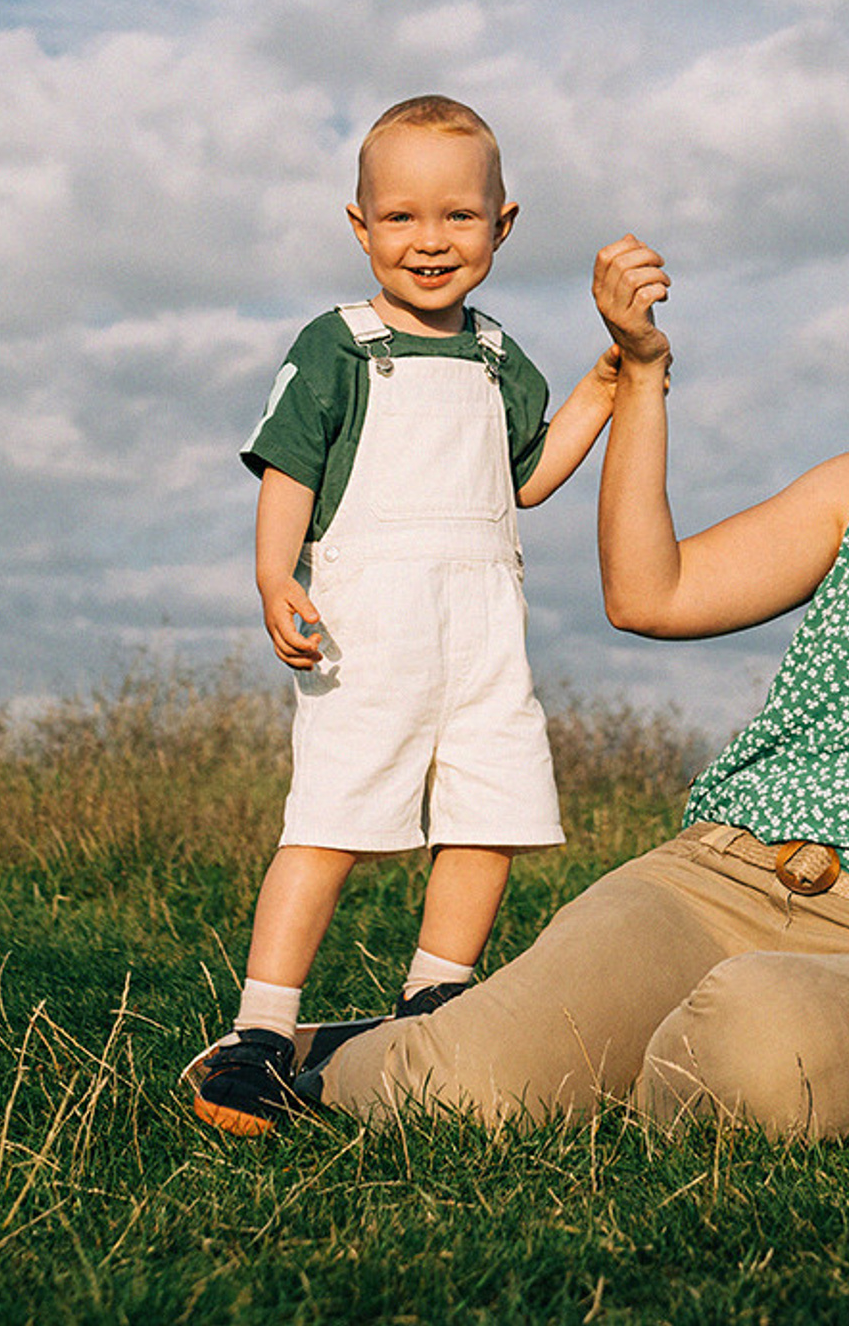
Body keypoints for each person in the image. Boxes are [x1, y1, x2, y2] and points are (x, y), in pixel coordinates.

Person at [295, 218, 849, 1139]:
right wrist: (643, 374)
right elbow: (652, 594)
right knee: (458, 1094)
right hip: (712, 882)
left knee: (755, 1065)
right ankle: (309, 1057)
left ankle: (592, 1060)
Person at [186, 96, 622, 1137]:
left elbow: (526, 481)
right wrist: (271, 576)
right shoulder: (339, 345)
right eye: (401, 218)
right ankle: (260, 1028)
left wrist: (606, 387)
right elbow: (290, 466)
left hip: (482, 625)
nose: (430, 241)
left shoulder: (504, 358)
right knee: (330, 819)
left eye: (458, 218)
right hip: (367, 619)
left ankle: (434, 996)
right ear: (360, 224)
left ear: (501, 225)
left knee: (490, 814)